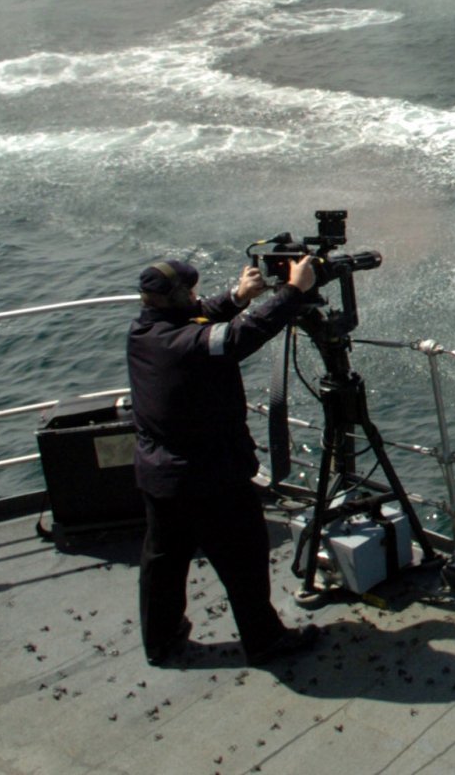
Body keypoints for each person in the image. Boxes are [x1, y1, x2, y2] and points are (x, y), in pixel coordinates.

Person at [126, 253, 322, 667]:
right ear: (177, 295)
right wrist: (292, 291)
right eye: (190, 292)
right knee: (245, 560)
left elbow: (200, 316)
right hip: (208, 479)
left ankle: (161, 642)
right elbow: (237, 337)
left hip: (161, 476)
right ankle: (266, 642)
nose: (197, 297)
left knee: (163, 563)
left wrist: (237, 295)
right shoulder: (185, 345)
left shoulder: (145, 329)